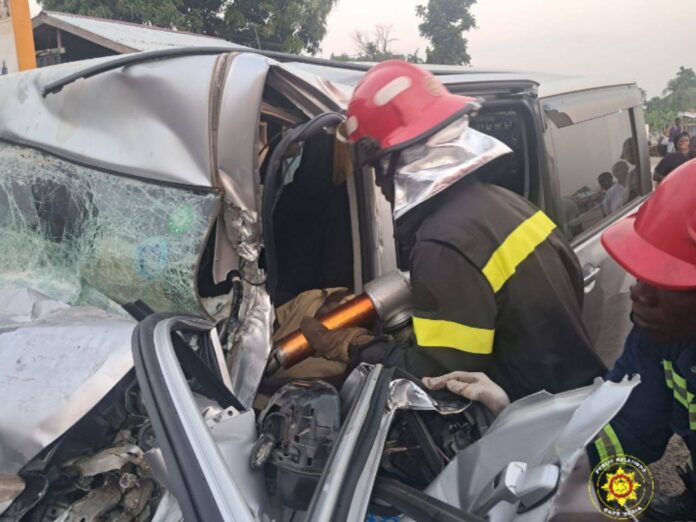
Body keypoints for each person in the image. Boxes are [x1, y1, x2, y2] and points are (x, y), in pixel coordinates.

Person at [300, 60, 606, 402]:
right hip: (575, 397)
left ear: (395, 161)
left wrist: (354, 345)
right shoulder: (507, 204)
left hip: (533, 417)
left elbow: (441, 378)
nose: (379, 184)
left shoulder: (442, 244)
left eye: (375, 167)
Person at [432, 161, 696, 519]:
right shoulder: (659, 337)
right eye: (643, 273)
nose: (639, 292)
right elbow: (626, 433)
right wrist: (513, 420)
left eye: (669, 280)